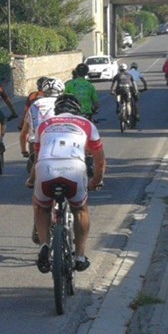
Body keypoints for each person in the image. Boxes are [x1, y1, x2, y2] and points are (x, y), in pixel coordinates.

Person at [31, 94, 106, 274]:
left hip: (46, 167)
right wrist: (96, 180)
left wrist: (31, 179)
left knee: (42, 208)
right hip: (74, 168)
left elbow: (36, 157)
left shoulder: (44, 124)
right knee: (80, 209)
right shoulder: (87, 124)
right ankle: (79, 256)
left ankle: (44, 246)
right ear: (78, 110)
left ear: (57, 111)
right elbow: (99, 159)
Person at [20, 77, 64, 187]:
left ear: (43, 91)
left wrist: (24, 151)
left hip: (36, 142)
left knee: (36, 170)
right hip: (60, 141)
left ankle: (34, 182)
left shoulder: (34, 104)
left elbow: (24, 133)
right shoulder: (63, 103)